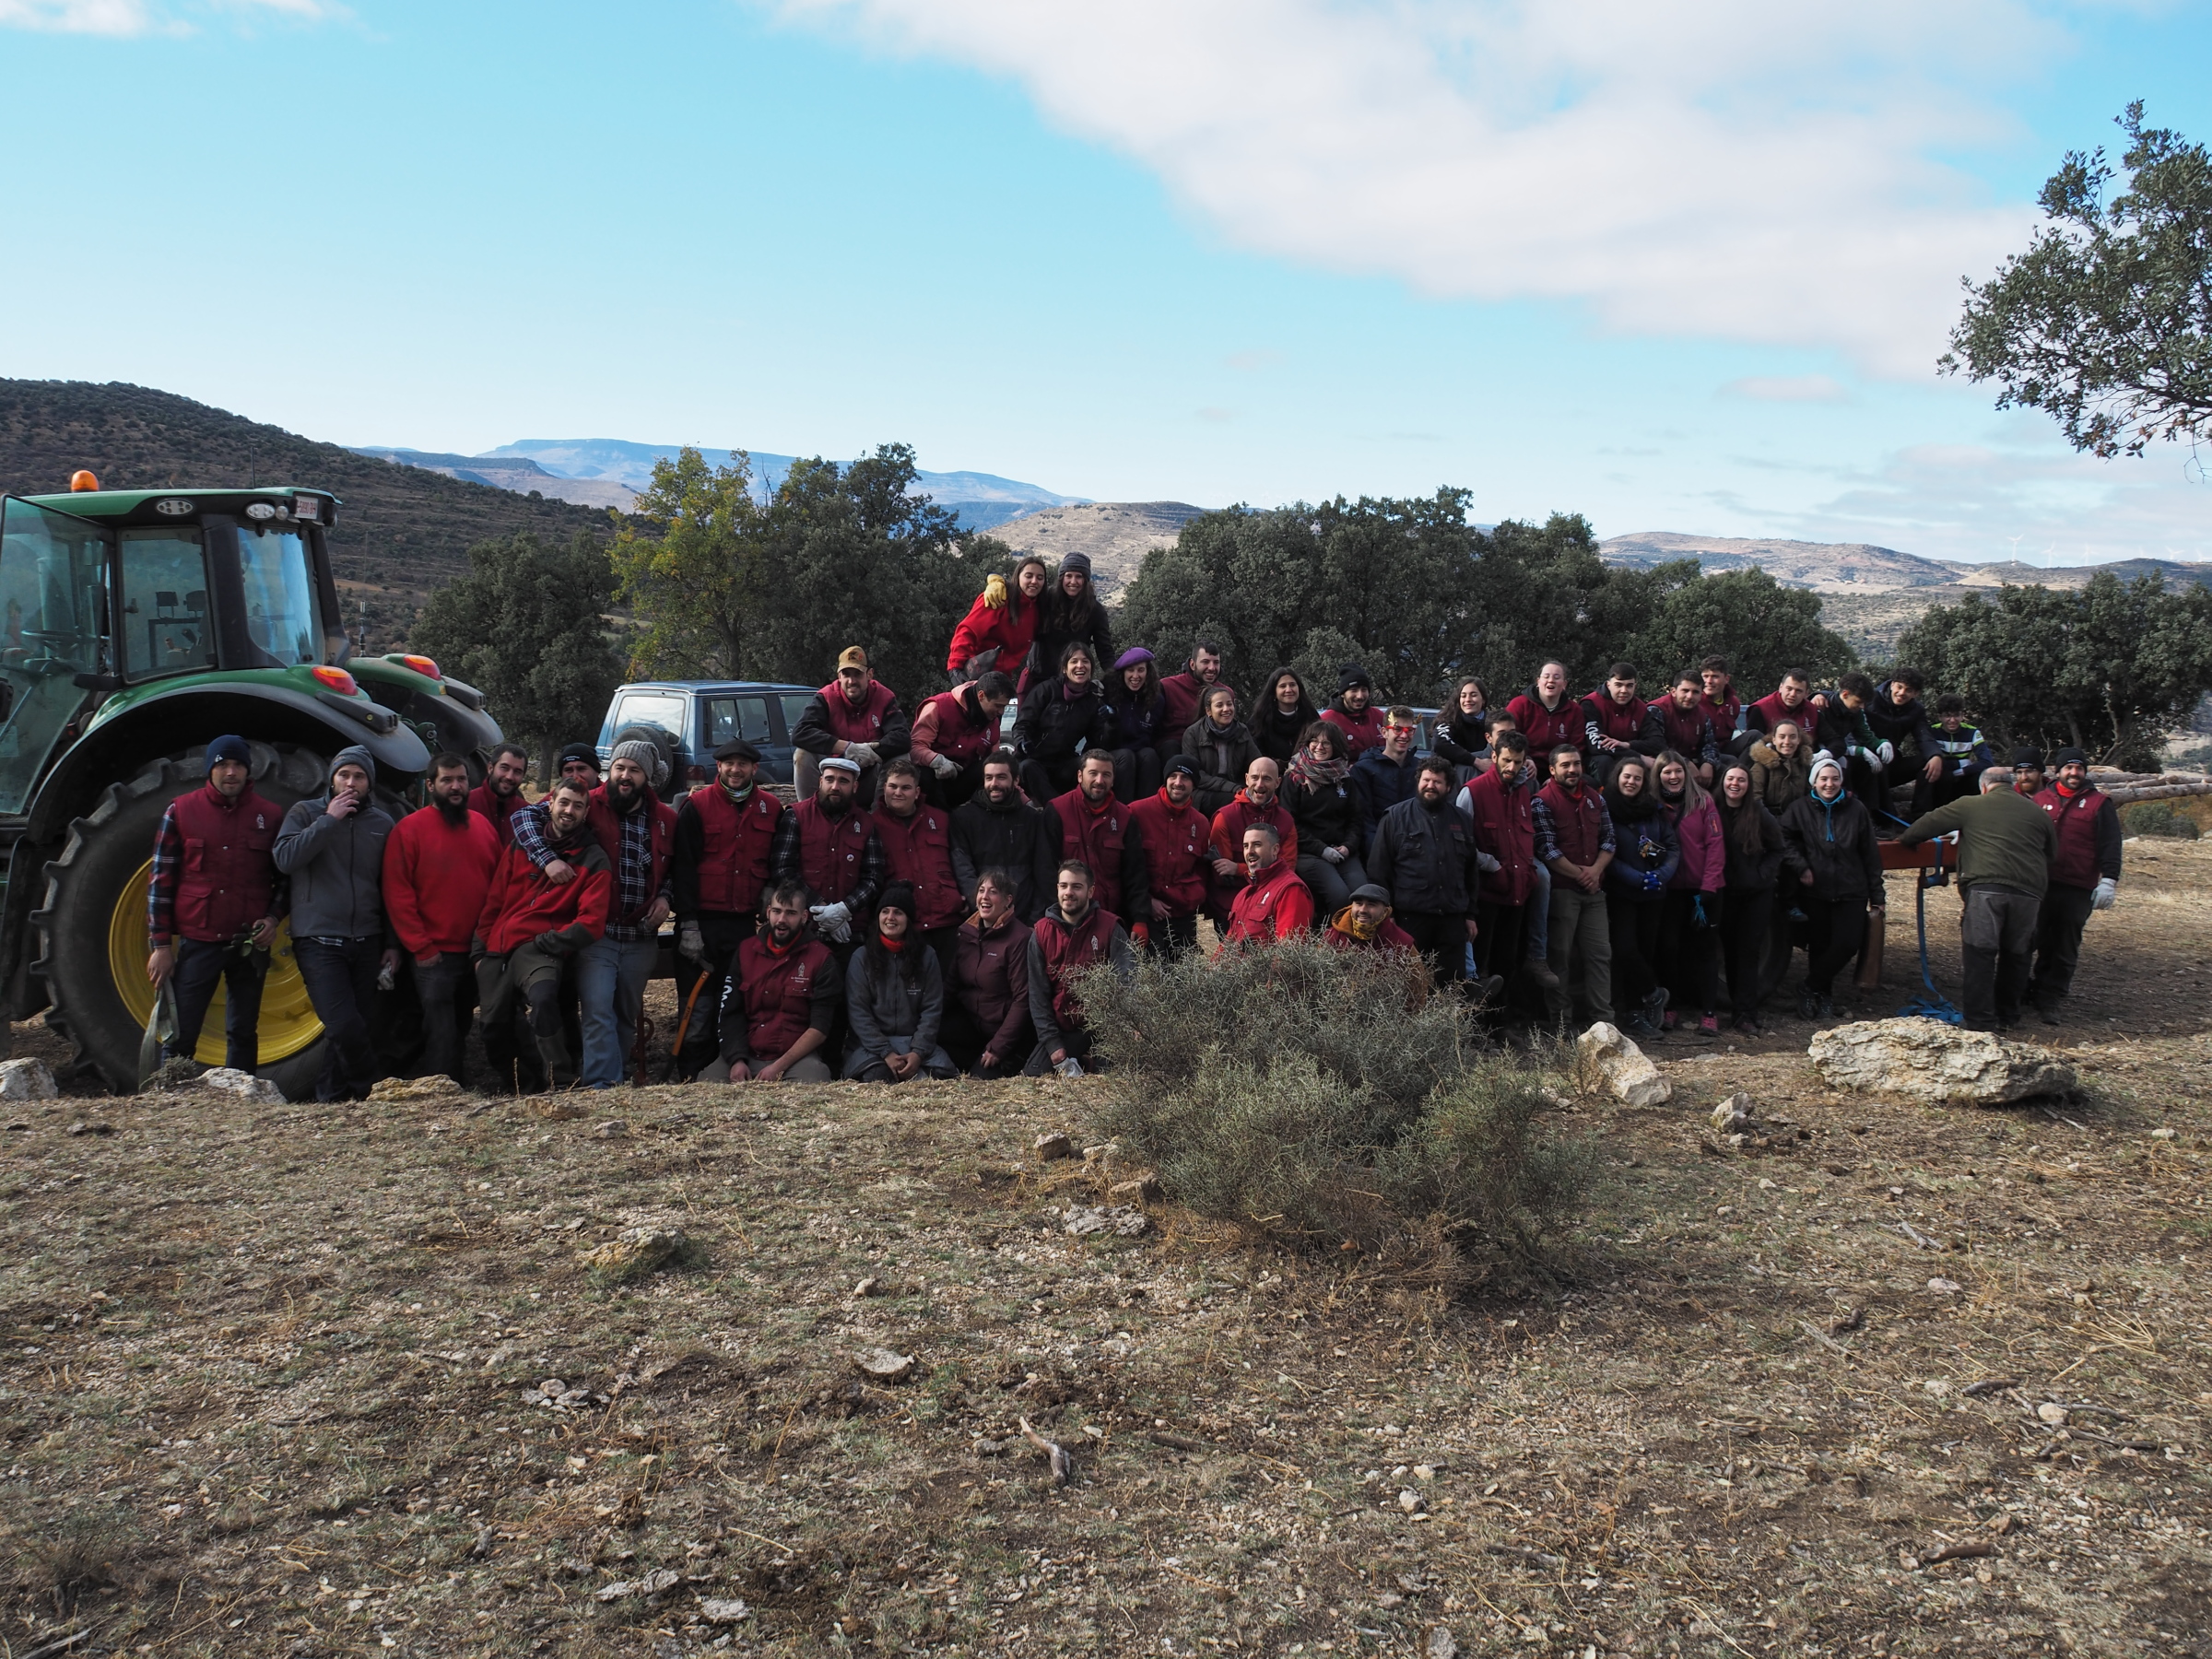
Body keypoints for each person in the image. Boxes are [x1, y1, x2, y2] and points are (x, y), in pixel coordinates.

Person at [146, 735, 285, 1074]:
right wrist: (161, 946)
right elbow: (160, 882)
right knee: (181, 1032)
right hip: (199, 941)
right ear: (210, 769)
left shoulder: (270, 815)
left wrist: (272, 919)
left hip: (248, 943)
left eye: (238, 765)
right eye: (223, 765)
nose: (231, 772)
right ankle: (171, 1095)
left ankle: (243, 1092)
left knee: (243, 1031)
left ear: (248, 770)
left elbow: (285, 879)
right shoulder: (181, 810)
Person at [271, 746, 397, 1100]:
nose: (351, 783)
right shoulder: (305, 812)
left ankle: (331, 1098)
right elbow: (285, 859)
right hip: (319, 940)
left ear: (369, 783)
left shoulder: (382, 824)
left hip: (367, 940)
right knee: (344, 1025)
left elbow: (389, 888)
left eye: (359, 776)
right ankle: (370, 1090)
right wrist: (328, 820)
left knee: (352, 1026)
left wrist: (391, 943)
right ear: (332, 779)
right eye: (344, 775)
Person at [473, 777, 611, 1089]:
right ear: (550, 804)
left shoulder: (593, 858)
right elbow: (494, 902)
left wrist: (547, 942)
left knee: (544, 1001)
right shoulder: (521, 846)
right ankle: (517, 1085)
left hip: (540, 949)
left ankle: (560, 1079)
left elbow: (591, 923)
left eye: (578, 806)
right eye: (564, 803)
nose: (569, 811)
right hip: (499, 946)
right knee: (493, 1024)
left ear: (586, 813)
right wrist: (479, 951)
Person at [1898, 765, 2056, 1030]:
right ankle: (2007, 1017)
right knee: (2017, 955)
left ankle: (1980, 1021)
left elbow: (1920, 829)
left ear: (1983, 786)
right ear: (2011, 784)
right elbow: (2051, 854)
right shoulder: (2038, 812)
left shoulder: (1970, 804)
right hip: (2029, 893)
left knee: (1980, 954)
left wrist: (1905, 839)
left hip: (1986, 889)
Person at [561, 739, 675, 1089]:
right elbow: (530, 817)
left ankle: (617, 1077)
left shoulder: (666, 819)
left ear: (648, 777)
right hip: (598, 932)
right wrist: (546, 859)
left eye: (634, 770)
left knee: (626, 1013)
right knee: (597, 1008)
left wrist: (666, 897)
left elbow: (677, 869)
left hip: (641, 935)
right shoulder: (587, 803)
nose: (625, 776)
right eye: (620, 767)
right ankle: (601, 1085)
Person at [384, 751, 500, 1086]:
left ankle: (453, 1085)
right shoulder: (409, 830)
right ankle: (444, 1094)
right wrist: (422, 947)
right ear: (431, 785)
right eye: (447, 780)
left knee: (461, 1024)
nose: (456, 786)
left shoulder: (483, 827)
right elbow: (398, 894)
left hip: (475, 952)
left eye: (461, 779)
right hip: (433, 955)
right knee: (441, 1030)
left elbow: (498, 887)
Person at [669, 736, 784, 1075]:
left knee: (735, 1002)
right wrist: (688, 924)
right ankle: (691, 1074)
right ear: (718, 766)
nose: (736, 770)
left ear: (754, 768)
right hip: (700, 925)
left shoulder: (771, 809)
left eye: (743, 764)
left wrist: (770, 889)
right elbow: (683, 868)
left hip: (743, 926)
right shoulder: (697, 806)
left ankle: (727, 1069)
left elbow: (777, 860)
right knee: (697, 1006)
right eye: (729, 764)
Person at [1364, 756, 1486, 991]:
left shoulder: (1463, 820)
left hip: (1452, 919)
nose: (1430, 786)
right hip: (1409, 919)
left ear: (1449, 787)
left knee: (1450, 989)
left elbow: (1471, 871)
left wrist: (1470, 914)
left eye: (1437, 782)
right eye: (1426, 780)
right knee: (1408, 987)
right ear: (1418, 781)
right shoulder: (1395, 817)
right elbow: (1378, 870)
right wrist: (1387, 914)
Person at [1780, 754, 1887, 1021]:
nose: (1829, 784)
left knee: (1848, 944)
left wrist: (1877, 894)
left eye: (1835, 778)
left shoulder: (1856, 809)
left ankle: (1809, 986)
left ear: (1842, 781)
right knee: (1820, 945)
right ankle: (1822, 995)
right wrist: (1801, 866)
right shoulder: (1799, 808)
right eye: (1824, 779)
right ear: (1813, 781)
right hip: (1816, 888)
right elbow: (1784, 840)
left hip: (1852, 888)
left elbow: (1870, 854)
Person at [2026, 747, 2123, 1022]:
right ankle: (2021, 990)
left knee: (2064, 946)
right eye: (2068, 768)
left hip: (2078, 887)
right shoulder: (2039, 800)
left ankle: (2050, 998)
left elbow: (2110, 844)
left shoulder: (2099, 803)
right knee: (2029, 938)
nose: (2074, 773)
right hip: (2040, 884)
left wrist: (2109, 881)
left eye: (2079, 768)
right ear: (2057, 771)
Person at [711, 880, 840, 1084]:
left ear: (804, 917)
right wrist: (736, 1060)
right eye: (777, 911)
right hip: (746, 1054)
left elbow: (820, 1027)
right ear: (768, 912)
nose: (782, 920)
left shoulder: (822, 958)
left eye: (791, 913)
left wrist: (778, 1068)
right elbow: (730, 1013)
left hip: (796, 1060)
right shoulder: (745, 951)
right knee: (707, 1082)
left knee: (816, 1081)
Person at [769, 755, 885, 964]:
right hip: (803, 928)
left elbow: (874, 877)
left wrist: (843, 910)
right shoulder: (796, 815)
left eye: (843, 781)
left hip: (850, 931)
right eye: (830, 779)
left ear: (855, 787)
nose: (835, 787)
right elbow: (782, 869)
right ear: (820, 781)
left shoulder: (867, 823)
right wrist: (820, 907)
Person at [1025, 860, 1135, 1076]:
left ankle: (1093, 1062)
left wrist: (1125, 1030)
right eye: (1063, 886)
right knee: (1035, 1074)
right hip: (1063, 1029)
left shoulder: (1111, 927)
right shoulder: (1041, 933)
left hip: (1105, 1029)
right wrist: (1053, 1046)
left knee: (1111, 1077)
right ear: (1057, 889)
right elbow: (1038, 996)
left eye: (1076, 887)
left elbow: (1128, 981)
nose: (1069, 892)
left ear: (1090, 891)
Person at [1532, 746, 1616, 1027]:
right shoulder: (1542, 801)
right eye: (1565, 765)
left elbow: (1609, 839)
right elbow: (1546, 849)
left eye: (1576, 764)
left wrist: (1596, 871)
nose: (1572, 770)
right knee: (1560, 957)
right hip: (1562, 892)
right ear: (1552, 770)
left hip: (1595, 892)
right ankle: (1561, 1024)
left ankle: (1604, 1022)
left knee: (1600, 956)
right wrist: (1582, 874)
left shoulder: (1596, 798)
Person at [843, 883, 959, 1083]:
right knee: (877, 1077)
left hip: (913, 1044)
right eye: (885, 911)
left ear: (908, 919)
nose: (890, 917)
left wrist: (918, 1053)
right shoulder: (861, 957)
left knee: (941, 1078)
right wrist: (886, 1052)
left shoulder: (926, 956)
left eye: (898, 913)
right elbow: (859, 1012)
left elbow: (931, 1009)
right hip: (870, 1048)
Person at [870, 758, 967, 983]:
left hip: (946, 920)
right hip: (905, 926)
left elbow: (960, 862)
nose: (898, 793)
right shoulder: (871, 825)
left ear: (917, 792)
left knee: (951, 987)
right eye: (893, 786)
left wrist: (964, 897)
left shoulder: (941, 820)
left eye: (905, 787)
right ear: (884, 788)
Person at [1600, 756, 1677, 1038]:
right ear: (1617, 778)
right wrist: (1635, 878)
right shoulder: (1606, 808)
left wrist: (1662, 875)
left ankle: (1636, 1013)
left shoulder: (1654, 809)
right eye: (1627, 776)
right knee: (1624, 950)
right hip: (1622, 891)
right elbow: (1606, 850)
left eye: (1637, 778)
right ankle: (1653, 992)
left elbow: (1672, 846)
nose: (1631, 782)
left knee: (1645, 951)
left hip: (1654, 892)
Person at [1460, 730, 1544, 988]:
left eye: (1517, 762)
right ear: (1494, 756)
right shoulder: (1472, 791)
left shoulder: (1523, 791)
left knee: (1507, 961)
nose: (1511, 767)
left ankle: (1504, 1013)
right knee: (1478, 962)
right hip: (1485, 893)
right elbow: (1461, 844)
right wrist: (1492, 866)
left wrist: (1528, 873)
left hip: (1517, 891)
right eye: (1506, 760)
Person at [1712, 760, 1791, 1036]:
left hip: (1756, 894)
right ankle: (1735, 1008)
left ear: (1748, 785)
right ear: (1723, 782)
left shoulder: (1758, 812)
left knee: (1749, 952)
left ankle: (1746, 1013)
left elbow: (1778, 848)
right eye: (1731, 779)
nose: (1735, 784)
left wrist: (1761, 876)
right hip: (1724, 892)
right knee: (1729, 952)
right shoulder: (1712, 810)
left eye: (1741, 780)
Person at [1653, 750, 1724, 1040]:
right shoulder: (1654, 804)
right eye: (1667, 772)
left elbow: (1716, 845)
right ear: (1658, 775)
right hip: (1669, 889)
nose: (1673, 777)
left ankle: (1709, 1012)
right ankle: (1670, 1007)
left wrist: (1709, 886)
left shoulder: (1704, 801)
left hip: (1701, 890)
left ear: (1686, 773)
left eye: (1678, 771)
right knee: (1668, 949)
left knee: (1704, 950)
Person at [792, 646, 912, 807]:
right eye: (846, 674)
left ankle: (881, 814)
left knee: (901, 757)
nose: (851, 681)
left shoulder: (884, 697)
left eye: (858, 674)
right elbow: (800, 733)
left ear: (869, 675)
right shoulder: (826, 697)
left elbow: (903, 738)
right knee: (802, 754)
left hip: (868, 779)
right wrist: (846, 747)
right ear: (839, 676)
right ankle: (810, 812)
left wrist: (871, 750)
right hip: (833, 780)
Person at [950, 750, 1061, 920]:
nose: (994, 784)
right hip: (982, 918)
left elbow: (1043, 870)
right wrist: (981, 908)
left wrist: (1035, 917)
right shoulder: (963, 818)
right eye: (989, 778)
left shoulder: (1032, 819)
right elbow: (963, 869)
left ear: (1016, 780)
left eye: (1001, 777)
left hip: (1026, 919)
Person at [946, 867, 1035, 1077]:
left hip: (1006, 1034)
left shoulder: (1019, 938)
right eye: (981, 890)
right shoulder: (966, 932)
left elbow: (1022, 1000)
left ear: (1007, 900)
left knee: (979, 1080)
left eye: (993, 892)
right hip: (974, 1026)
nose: (985, 897)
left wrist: (998, 1048)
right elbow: (950, 986)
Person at [1052, 750, 1151, 937]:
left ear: (1113, 780)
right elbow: (1045, 870)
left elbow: (1135, 873)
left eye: (1106, 775)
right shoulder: (1057, 811)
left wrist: (1140, 919)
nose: (1099, 780)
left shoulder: (1125, 817)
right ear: (1080, 776)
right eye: (1093, 773)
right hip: (1068, 921)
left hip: (1112, 920)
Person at [1127, 757, 1213, 956]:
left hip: (1183, 915)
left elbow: (1201, 868)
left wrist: (1194, 897)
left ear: (1194, 784)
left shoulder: (1201, 823)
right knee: (1151, 970)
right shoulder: (1137, 812)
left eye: (1185, 777)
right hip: (1146, 914)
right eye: (1173, 776)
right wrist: (1145, 902)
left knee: (1183, 972)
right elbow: (1125, 866)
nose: (1178, 782)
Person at [1284, 721, 1367, 918]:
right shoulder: (1295, 777)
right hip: (1309, 852)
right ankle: (1331, 935)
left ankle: (1360, 937)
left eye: (1326, 743)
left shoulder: (1345, 778)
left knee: (1362, 894)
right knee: (1340, 896)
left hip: (1342, 851)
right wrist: (1321, 849)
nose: (1319, 747)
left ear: (1335, 746)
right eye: (1314, 741)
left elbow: (1355, 819)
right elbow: (1289, 823)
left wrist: (1348, 846)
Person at [1015, 640, 1112, 803]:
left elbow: (1097, 742)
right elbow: (1022, 724)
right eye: (1074, 661)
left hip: (1064, 763)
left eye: (1085, 661)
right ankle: (1058, 809)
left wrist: (1111, 722)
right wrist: (1021, 743)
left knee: (1090, 765)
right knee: (1027, 767)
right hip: (1036, 760)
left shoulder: (1092, 700)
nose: (1080, 666)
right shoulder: (1046, 690)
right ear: (1064, 669)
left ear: (1091, 668)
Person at [1207, 755, 1296, 926]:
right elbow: (1222, 875)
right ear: (1247, 779)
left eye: (1267, 779)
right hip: (1230, 906)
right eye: (1255, 778)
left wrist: (1237, 868)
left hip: (1273, 904)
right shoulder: (1225, 817)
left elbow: (1288, 869)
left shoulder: (1286, 821)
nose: (1260, 784)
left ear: (1278, 783)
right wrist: (1263, 870)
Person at [909, 671, 1016, 809]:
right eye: (998, 706)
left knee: (990, 767)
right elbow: (914, 747)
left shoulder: (993, 723)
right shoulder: (938, 707)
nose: (1001, 712)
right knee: (924, 773)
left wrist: (1023, 800)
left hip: (962, 783)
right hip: (932, 781)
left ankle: (983, 815)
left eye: (1004, 707)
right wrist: (936, 761)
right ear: (981, 696)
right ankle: (938, 818)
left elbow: (999, 763)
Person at [946, 555, 1049, 679]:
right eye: (1028, 576)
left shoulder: (1039, 608)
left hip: (1002, 678)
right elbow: (968, 630)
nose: (1034, 581)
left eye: (1040, 578)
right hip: (976, 673)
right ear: (1018, 577)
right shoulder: (998, 598)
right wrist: (956, 666)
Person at [1025, 553, 1115, 691]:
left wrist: (1116, 678)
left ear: (1086, 580)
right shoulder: (1045, 599)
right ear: (1061, 578)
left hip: (1073, 682)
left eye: (1079, 576)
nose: (1073, 581)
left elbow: (1105, 651)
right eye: (1068, 576)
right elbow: (1019, 602)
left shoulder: (1095, 611)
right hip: (1037, 677)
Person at [1224, 821, 1314, 945]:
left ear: (1275, 849)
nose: (1249, 851)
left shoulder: (1291, 890)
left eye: (1257, 845)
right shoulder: (1243, 894)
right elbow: (1227, 945)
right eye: (1245, 846)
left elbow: (1288, 951)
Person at [1812, 672, 1892, 807]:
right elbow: (1826, 741)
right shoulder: (1824, 708)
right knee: (1842, 767)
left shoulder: (1856, 713)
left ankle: (1872, 809)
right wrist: (1858, 750)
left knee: (1872, 765)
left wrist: (1882, 743)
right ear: (1845, 694)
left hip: (1840, 750)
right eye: (1859, 702)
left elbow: (1865, 736)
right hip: (1821, 754)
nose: (1862, 707)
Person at [1181, 683, 1259, 815]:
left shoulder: (1242, 731)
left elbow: (1256, 763)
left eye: (1229, 704)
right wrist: (1231, 787)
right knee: (1234, 802)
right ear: (1208, 711)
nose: (1226, 709)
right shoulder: (1193, 733)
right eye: (1219, 705)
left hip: (1235, 786)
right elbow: (1195, 773)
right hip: (1204, 791)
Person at [1866, 669, 1941, 802]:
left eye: (1908, 690)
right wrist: (1824, 695)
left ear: (1915, 693)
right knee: (1880, 758)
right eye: (1899, 687)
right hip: (1865, 763)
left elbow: (1923, 735)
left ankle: (1921, 811)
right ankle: (1881, 810)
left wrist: (1935, 755)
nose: (1902, 693)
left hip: (1891, 765)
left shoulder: (1916, 710)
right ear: (1892, 684)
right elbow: (1844, 699)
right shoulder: (1870, 698)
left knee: (1928, 762)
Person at [1104, 648, 1168, 802]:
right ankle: (1122, 810)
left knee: (1150, 756)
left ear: (1148, 672)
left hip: (1141, 751)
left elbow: (1156, 732)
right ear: (1122, 673)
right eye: (1130, 670)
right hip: (1113, 751)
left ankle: (1146, 809)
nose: (1135, 676)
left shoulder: (1156, 699)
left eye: (1141, 670)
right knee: (1126, 757)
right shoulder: (1109, 694)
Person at [1349, 706, 1421, 842]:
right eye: (1397, 729)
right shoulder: (1363, 770)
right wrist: (1377, 851)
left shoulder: (1421, 769)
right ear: (1384, 732)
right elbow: (1364, 819)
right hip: (1379, 843)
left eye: (1409, 730)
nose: (1404, 735)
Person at [1920, 694, 1994, 814]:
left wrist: (1962, 771)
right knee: (1936, 773)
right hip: (1940, 779)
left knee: (1982, 776)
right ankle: (1928, 813)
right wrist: (1961, 763)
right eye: (1947, 716)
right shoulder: (1932, 731)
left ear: (1962, 715)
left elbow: (1987, 762)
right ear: (1940, 717)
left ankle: (1975, 813)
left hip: (1963, 777)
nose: (1952, 720)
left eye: (1956, 715)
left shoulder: (1972, 732)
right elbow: (1925, 759)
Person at [1642, 670, 1720, 785]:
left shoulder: (1703, 715)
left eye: (1695, 692)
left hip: (1692, 760)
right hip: (1662, 763)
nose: (1690, 696)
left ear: (1701, 695)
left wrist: (1708, 763)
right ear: (1673, 691)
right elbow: (1657, 747)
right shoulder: (1657, 710)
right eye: (1685, 691)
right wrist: (1685, 763)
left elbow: (1709, 744)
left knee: (1726, 768)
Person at [1505, 661, 1582, 770]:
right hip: (1524, 763)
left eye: (1557, 677)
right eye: (1546, 676)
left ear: (1564, 684)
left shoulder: (1575, 711)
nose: (1551, 680)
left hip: (1560, 766)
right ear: (1538, 681)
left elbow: (1577, 746)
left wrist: (1558, 770)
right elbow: (1508, 738)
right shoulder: (1519, 705)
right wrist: (1525, 759)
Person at [1156, 641, 1225, 759]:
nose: (1212, 668)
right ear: (1192, 664)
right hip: (1174, 754)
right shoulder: (1168, 687)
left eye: (1216, 662)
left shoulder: (1225, 694)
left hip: (1210, 753)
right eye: (1205, 662)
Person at [1581, 662, 1648, 779]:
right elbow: (1596, 745)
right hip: (1598, 759)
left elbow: (1657, 743)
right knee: (1604, 760)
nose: (1624, 690)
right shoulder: (1591, 703)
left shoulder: (1641, 708)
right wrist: (1639, 756)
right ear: (1608, 685)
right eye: (1618, 685)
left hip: (1630, 756)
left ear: (1635, 686)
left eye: (1629, 686)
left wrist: (1628, 745)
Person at [1324, 882, 1420, 958]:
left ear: (1385, 911)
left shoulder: (1402, 942)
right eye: (1359, 903)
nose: (1363, 910)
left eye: (1371, 905)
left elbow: (1418, 977)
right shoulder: (1332, 936)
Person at [1251, 667, 1321, 768]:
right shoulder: (1260, 720)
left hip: (1307, 772)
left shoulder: (1311, 716)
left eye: (1292, 685)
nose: (1288, 690)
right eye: (1282, 686)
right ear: (1274, 692)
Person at [1319, 664, 1388, 757]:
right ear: (1342, 694)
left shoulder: (1379, 717)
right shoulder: (1326, 721)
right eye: (1354, 690)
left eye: (1364, 690)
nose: (1360, 696)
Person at [469, 742, 530, 847]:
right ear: (490, 768)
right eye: (504, 768)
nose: (509, 777)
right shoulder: (467, 804)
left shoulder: (526, 814)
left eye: (517, 772)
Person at [1430, 677, 1491, 779]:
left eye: (1473, 695)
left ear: (1483, 699)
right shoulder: (1449, 720)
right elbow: (1439, 743)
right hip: (1449, 781)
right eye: (1463, 696)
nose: (1468, 700)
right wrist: (1476, 762)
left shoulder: (1492, 722)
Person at [1748, 719, 1812, 813]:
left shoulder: (1804, 765)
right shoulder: (1762, 765)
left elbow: (1809, 796)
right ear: (1774, 740)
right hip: (1769, 817)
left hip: (1797, 817)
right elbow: (1755, 797)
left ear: (1799, 740)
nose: (1787, 742)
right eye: (1782, 737)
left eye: (1792, 737)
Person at [1744, 670, 1817, 743]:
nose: (1792, 694)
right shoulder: (1759, 709)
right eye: (1789, 689)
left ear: (1806, 694)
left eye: (1798, 691)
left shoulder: (1812, 710)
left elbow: (1823, 740)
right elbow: (1753, 744)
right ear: (1781, 687)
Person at [1700, 656, 1744, 750]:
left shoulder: (1733, 703)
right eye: (1705, 676)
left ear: (1726, 679)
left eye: (1715, 676)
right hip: (1701, 752)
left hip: (1725, 750)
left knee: (1753, 736)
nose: (1709, 681)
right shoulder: (1695, 701)